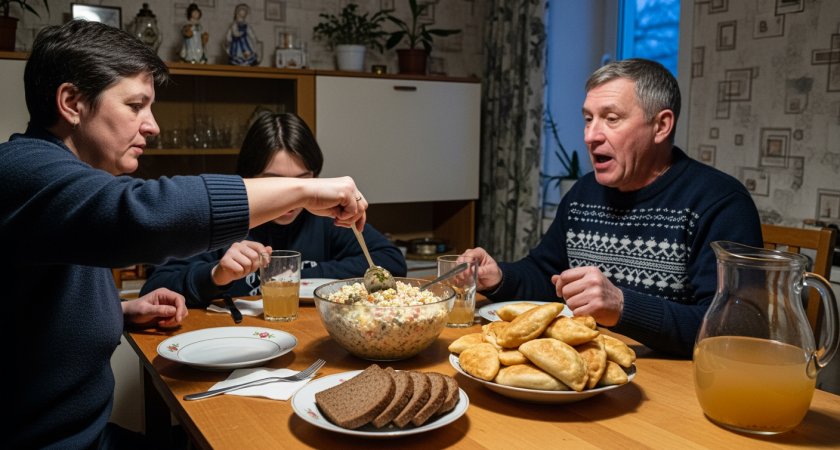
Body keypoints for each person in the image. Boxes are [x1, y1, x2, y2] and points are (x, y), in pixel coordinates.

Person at [0, 21, 368, 449]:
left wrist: (121, 310)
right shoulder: (18, 171)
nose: (152, 125)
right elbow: (144, 214)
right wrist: (306, 189)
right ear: (72, 102)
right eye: (136, 105)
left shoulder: (63, 187)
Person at [464, 59, 763, 357]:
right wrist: (499, 277)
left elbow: (735, 330)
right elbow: (547, 277)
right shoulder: (583, 194)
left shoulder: (720, 203)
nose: (590, 136)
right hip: (595, 370)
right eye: (588, 118)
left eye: (611, 118)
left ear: (661, 126)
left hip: (681, 384)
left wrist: (622, 306)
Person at [141, 113, 406, 307]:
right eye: (275, 183)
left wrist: (293, 277)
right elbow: (153, 290)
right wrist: (215, 275)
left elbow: (391, 263)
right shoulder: (219, 215)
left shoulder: (322, 217)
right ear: (248, 176)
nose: (293, 198)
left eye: (303, 182)